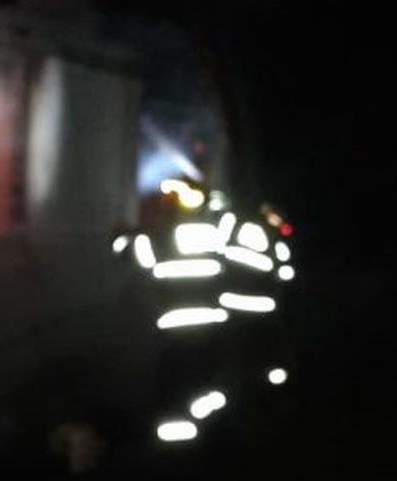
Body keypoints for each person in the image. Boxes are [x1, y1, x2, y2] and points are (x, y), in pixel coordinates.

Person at [112, 178, 297, 445]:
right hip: (209, 323)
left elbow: (132, 251)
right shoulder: (217, 234)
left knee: (183, 379)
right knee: (207, 375)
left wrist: (119, 236)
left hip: (181, 327)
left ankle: (185, 433)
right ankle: (206, 420)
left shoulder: (165, 237)